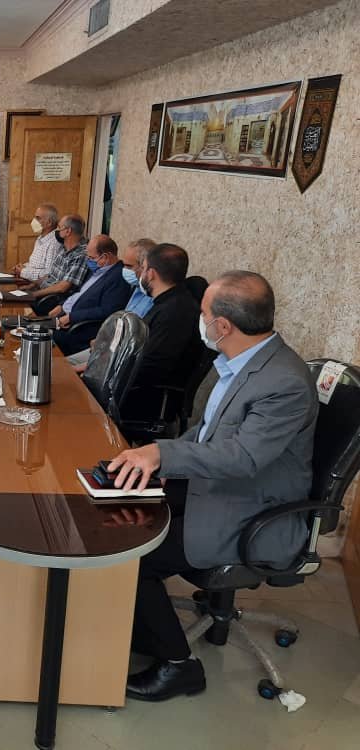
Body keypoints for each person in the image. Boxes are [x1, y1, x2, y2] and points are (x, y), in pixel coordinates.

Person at [106, 271, 317, 702]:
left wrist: (164, 454)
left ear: (222, 325)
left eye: (203, 314)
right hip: (217, 486)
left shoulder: (284, 383)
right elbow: (206, 433)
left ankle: (179, 665)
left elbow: (243, 458)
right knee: (122, 508)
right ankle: (141, 626)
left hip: (252, 509)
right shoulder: (243, 361)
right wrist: (163, 458)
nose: (199, 322)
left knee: (131, 554)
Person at [121, 243, 200, 419]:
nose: (140, 274)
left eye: (143, 268)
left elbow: (150, 366)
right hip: (132, 386)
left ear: (151, 273)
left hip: (142, 397)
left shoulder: (175, 311)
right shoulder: (167, 302)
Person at [66, 237, 156, 368]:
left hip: (115, 358)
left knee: (64, 369)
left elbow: (133, 344)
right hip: (106, 346)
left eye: (129, 266)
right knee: (61, 364)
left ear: (146, 268)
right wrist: (103, 340)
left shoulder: (152, 299)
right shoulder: (137, 289)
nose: (124, 269)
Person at [50, 234, 133, 355]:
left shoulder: (118, 277)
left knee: (42, 339)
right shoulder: (97, 269)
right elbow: (79, 292)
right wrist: (62, 305)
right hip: (64, 316)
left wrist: (72, 317)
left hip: (79, 327)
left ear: (105, 257)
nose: (88, 260)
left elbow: (107, 310)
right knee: (30, 327)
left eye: (91, 257)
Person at [19, 214, 89, 314]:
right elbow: (50, 275)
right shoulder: (63, 247)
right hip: (41, 291)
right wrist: (32, 285)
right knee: (9, 296)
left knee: (15, 308)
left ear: (68, 231)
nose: (56, 230)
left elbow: (62, 287)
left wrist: (34, 294)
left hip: (51, 300)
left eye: (59, 227)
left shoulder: (80, 255)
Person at [12, 203, 59, 281]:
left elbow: (49, 274)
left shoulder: (54, 243)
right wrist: (22, 267)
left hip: (40, 286)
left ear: (49, 222)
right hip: (30, 281)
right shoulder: (40, 239)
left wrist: (23, 271)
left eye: (38, 218)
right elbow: (35, 266)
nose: (34, 221)